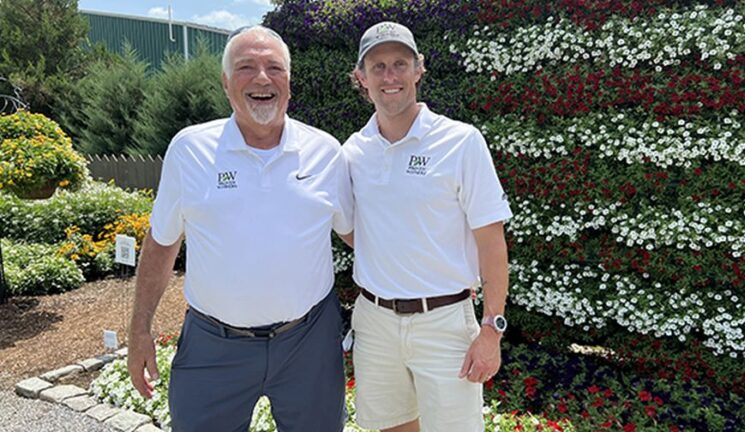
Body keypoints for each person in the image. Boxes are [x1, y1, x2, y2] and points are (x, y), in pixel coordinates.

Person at [127, 25, 353, 432]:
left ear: (289, 81)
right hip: (214, 347)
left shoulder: (326, 152)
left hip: (308, 344)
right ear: (226, 83)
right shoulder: (189, 149)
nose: (262, 78)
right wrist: (139, 330)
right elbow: (161, 244)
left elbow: (361, 238)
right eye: (246, 67)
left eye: (274, 67)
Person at [343, 21, 512, 432]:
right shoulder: (352, 151)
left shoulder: (461, 141)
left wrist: (491, 328)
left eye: (400, 63)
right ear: (361, 78)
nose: (390, 76)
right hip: (375, 321)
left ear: (419, 69)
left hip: (445, 322)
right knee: (393, 427)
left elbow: (491, 243)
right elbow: (351, 230)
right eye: (377, 66)